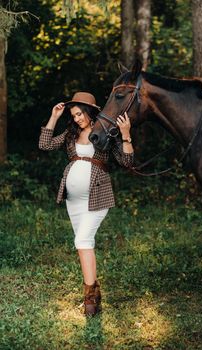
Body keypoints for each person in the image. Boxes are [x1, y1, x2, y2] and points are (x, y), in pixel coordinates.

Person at [39, 92, 134, 316]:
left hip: (97, 197)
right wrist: (54, 117)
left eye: (79, 113)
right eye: (73, 115)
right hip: (73, 200)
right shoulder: (71, 134)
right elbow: (45, 145)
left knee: (82, 240)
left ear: (90, 111)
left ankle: (90, 298)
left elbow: (127, 162)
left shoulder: (104, 132)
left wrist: (126, 134)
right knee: (83, 243)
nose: (77, 119)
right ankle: (94, 294)